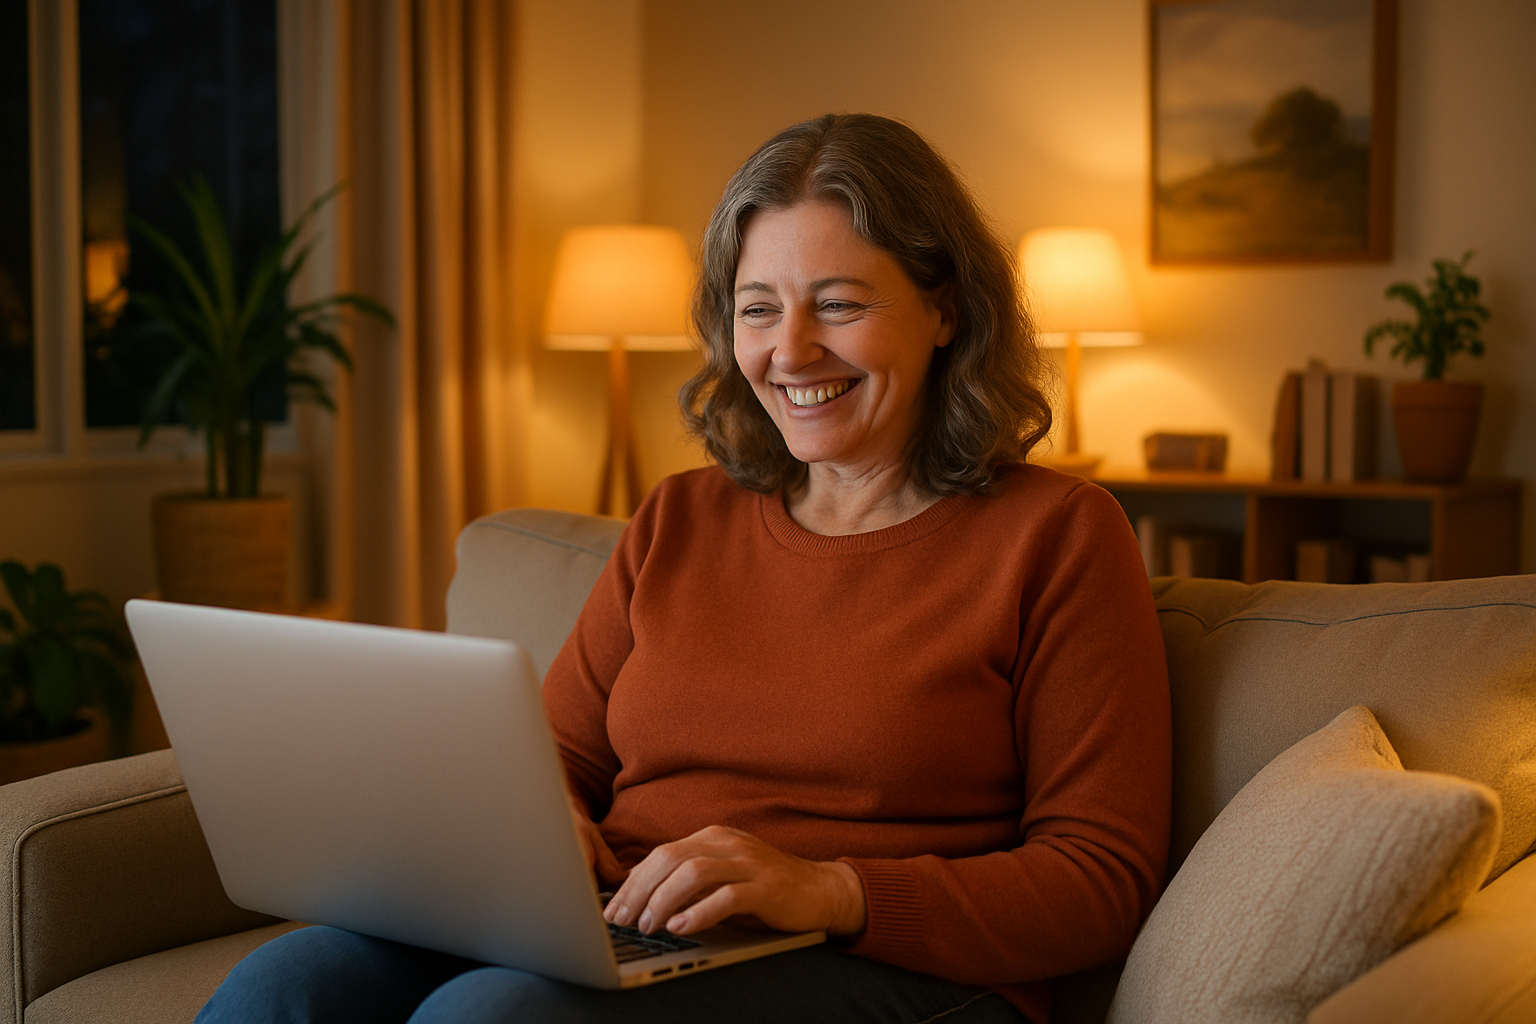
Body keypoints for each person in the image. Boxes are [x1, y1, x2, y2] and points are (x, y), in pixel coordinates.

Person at [197, 112, 1171, 1024]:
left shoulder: (1059, 533)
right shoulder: (679, 516)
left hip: (885, 965)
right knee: (291, 979)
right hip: (634, 922)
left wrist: (829, 889)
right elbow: (554, 756)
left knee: (491, 1016)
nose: (790, 350)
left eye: (837, 303)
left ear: (945, 309)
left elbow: (1101, 877)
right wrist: (548, 829)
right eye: (758, 308)